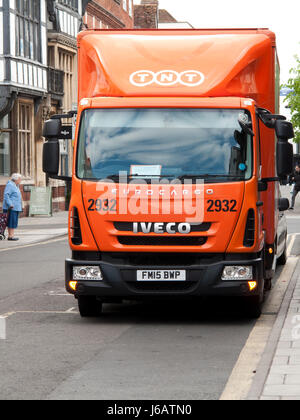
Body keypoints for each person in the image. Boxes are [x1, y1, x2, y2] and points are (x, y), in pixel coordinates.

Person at [2, 173, 23, 240]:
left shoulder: (16, 185)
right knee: (11, 221)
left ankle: (11, 235)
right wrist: (10, 204)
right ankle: (10, 236)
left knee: (13, 221)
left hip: (15, 207)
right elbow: (6, 195)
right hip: (11, 207)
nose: (20, 180)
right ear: (16, 179)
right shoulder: (10, 185)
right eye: (20, 179)